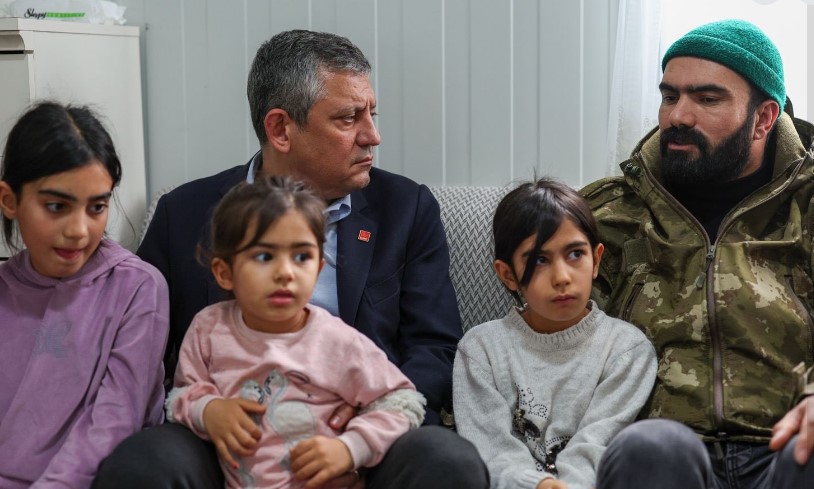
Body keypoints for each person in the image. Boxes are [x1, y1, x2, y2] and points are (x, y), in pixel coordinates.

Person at [93, 29, 488, 489]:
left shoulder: (405, 208)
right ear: (280, 128)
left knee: (448, 462)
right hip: (229, 443)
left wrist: (358, 437)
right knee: (141, 466)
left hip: (366, 432)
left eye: (371, 114)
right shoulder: (183, 213)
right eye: (348, 118)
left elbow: (435, 348)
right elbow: (145, 357)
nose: (372, 136)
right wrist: (209, 411)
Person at [579, 20, 814, 489]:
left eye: (707, 99)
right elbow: (547, 337)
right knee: (651, 448)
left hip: (787, 446)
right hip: (665, 452)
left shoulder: (807, 208)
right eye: (670, 96)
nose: (678, 116)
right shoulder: (610, 214)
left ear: (764, 119)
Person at [166, 176, 426, 488]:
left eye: (302, 257)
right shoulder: (209, 328)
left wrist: (350, 448)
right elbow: (181, 395)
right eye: (264, 257)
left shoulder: (338, 341)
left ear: (317, 268)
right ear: (224, 273)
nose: (286, 273)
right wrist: (207, 409)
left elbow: (402, 401)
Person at [0, 102, 169, 488]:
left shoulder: (137, 288)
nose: (78, 230)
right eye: (56, 206)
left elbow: (114, 421)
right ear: (9, 201)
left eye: (97, 207)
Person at [453, 178, 657, 489]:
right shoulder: (481, 349)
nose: (562, 277)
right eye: (539, 259)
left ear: (596, 260)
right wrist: (536, 485)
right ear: (508, 275)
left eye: (575, 254)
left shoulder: (627, 351)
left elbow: (597, 444)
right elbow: (490, 447)